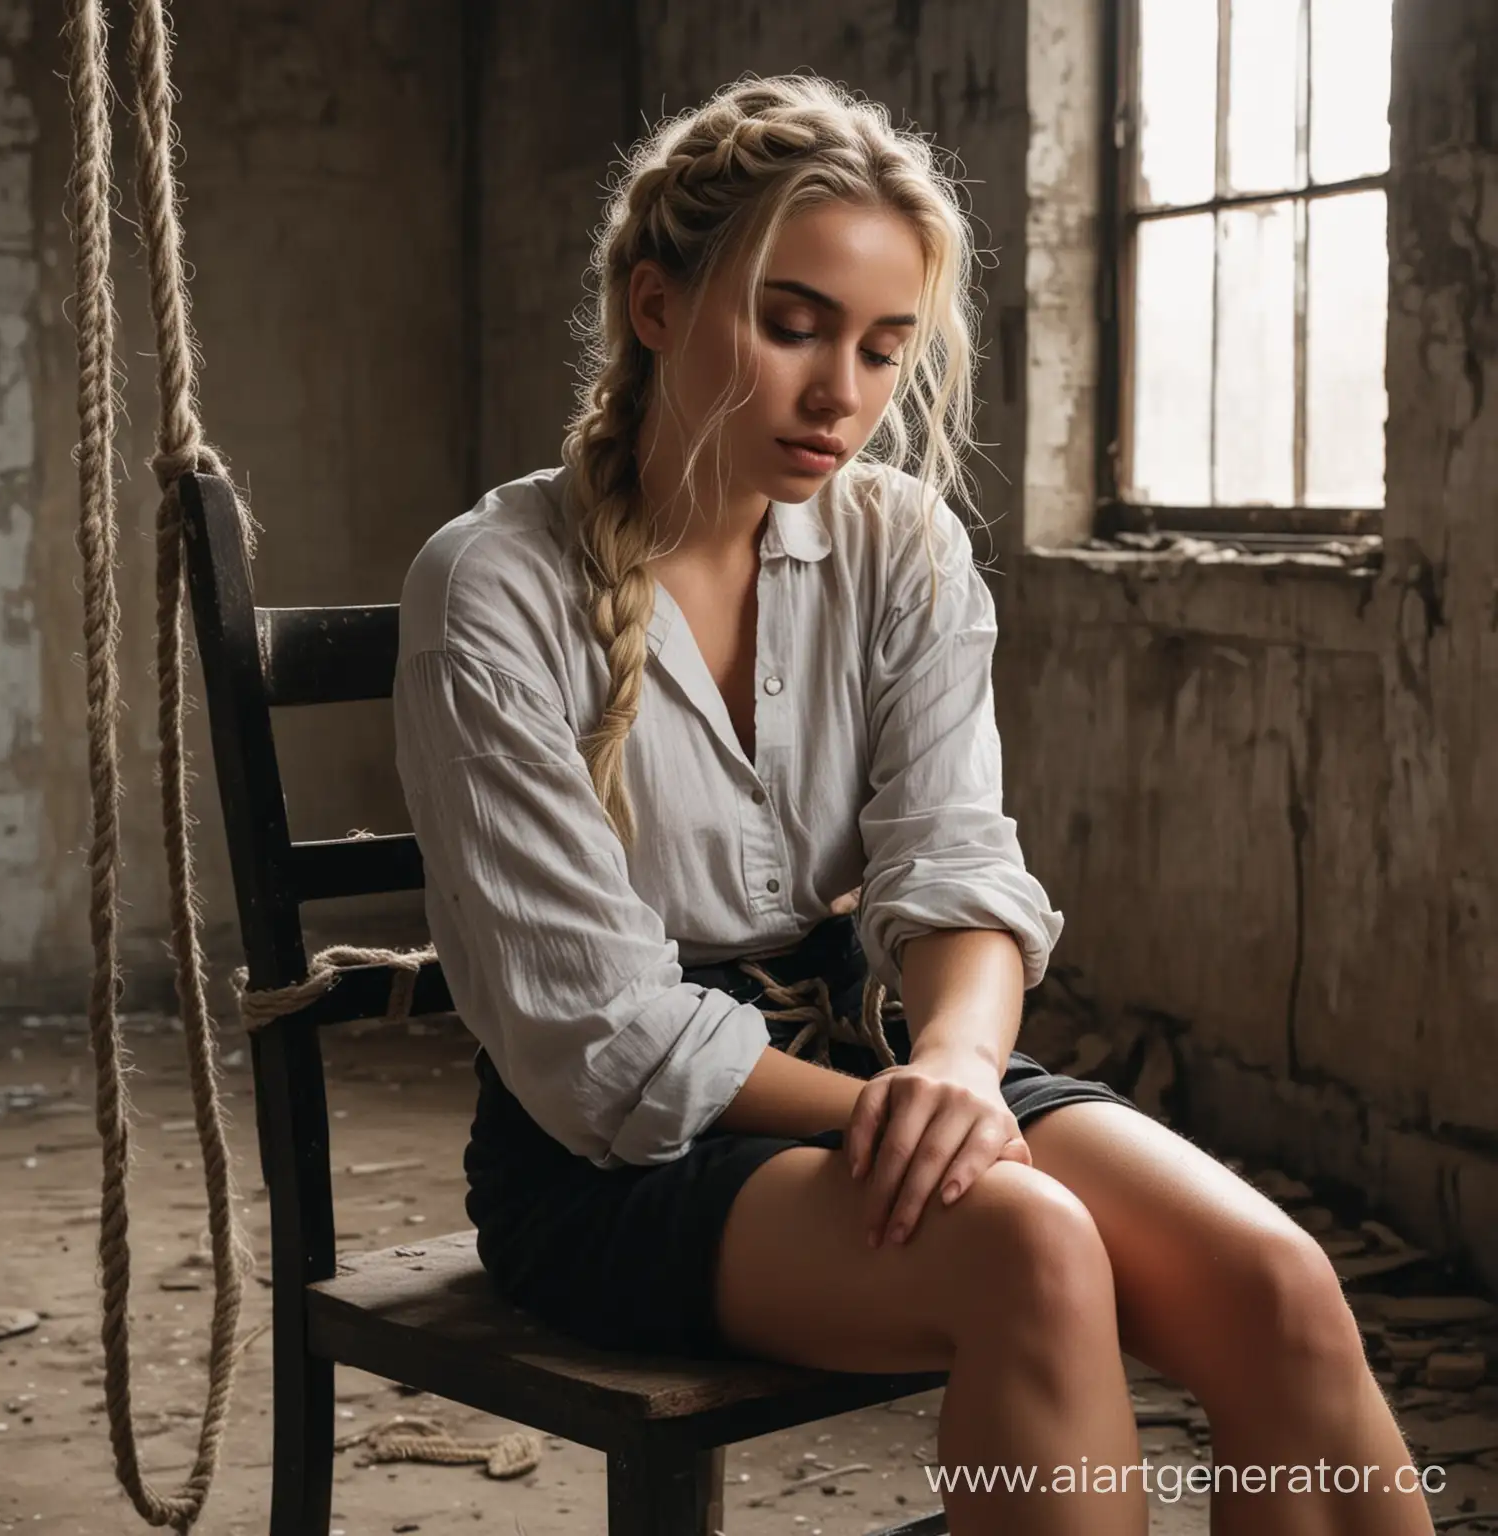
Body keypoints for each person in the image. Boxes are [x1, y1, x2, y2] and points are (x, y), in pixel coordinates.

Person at [393, 72, 1434, 1536]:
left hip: (886, 1064)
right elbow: (600, 1040)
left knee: (1273, 1280)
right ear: (654, 305)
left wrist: (952, 1069)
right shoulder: (491, 586)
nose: (844, 396)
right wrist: (919, 1116)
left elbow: (954, 861)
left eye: (885, 350)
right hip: (610, 1153)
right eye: (794, 324)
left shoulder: (900, 541)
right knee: (1031, 1247)